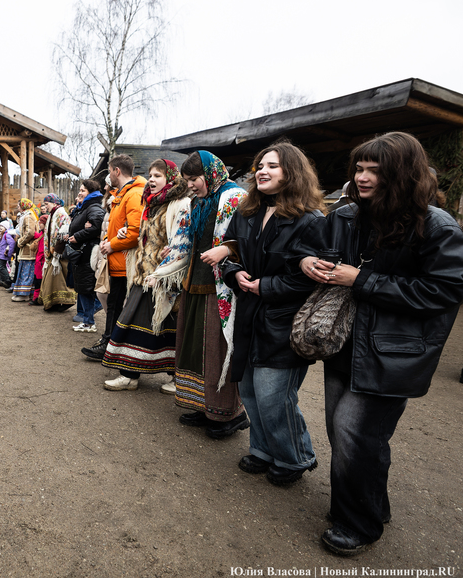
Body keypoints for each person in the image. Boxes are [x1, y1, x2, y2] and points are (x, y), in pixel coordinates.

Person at [299, 132, 463, 556]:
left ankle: (359, 524)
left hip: (393, 353)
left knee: (355, 434)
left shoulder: (437, 226)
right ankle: (373, 503)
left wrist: (362, 280)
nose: (363, 177)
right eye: (360, 168)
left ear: (402, 173)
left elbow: (442, 292)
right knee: (348, 434)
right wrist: (311, 262)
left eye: (375, 170)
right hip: (344, 343)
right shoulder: (348, 214)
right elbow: (317, 247)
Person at [210, 142, 325, 484]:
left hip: (285, 321)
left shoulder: (311, 221)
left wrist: (266, 287)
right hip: (249, 314)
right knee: (249, 392)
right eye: (260, 165)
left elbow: (312, 279)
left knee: (275, 396)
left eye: (272, 166)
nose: (262, 170)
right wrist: (234, 274)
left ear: (292, 172)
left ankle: (295, 457)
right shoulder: (246, 213)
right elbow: (230, 254)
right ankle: (262, 449)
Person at [173, 151, 249, 439]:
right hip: (195, 283)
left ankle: (228, 412)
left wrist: (228, 249)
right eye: (188, 180)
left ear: (211, 174)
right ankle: (201, 403)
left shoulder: (234, 197)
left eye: (194, 179)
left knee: (216, 348)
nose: (190, 185)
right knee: (193, 346)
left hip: (220, 288)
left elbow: (246, 240)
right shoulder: (200, 201)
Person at [101, 160, 192, 391]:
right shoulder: (149, 204)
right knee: (133, 323)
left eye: (158, 176)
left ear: (171, 178)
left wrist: (168, 256)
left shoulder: (181, 204)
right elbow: (144, 238)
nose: (151, 180)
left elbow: (184, 241)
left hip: (165, 279)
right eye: (150, 175)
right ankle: (129, 375)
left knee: (166, 330)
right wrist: (125, 233)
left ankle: (176, 377)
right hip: (143, 276)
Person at [82, 154, 146, 362]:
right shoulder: (123, 195)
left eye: (109, 171)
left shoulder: (133, 195)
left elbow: (135, 232)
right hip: (117, 263)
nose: (109, 175)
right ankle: (109, 343)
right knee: (113, 306)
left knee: (118, 307)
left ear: (117, 171)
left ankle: (111, 346)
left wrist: (111, 245)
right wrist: (107, 240)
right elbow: (120, 227)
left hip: (125, 263)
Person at [67, 180, 105, 332]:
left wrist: (78, 235)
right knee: (83, 288)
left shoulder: (93, 207)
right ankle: (87, 321)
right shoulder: (85, 208)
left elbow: (97, 225)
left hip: (87, 253)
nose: (80, 193)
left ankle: (90, 321)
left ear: (90, 191)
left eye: (82, 190)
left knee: (87, 288)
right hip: (82, 253)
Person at [38, 194, 76, 311]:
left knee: (58, 279)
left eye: (47, 204)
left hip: (59, 253)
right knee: (54, 279)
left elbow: (63, 233)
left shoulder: (61, 214)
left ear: (54, 203)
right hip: (53, 252)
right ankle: (55, 303)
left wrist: (57, 253)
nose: (45, 207)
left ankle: (66, 301)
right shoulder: (52, 214)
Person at [12, 199, 40, 302]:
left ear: (23, 206)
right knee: (25, 270)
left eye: (19, 205)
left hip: (29, 249)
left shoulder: (28, 217)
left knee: (27, 271)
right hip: (26, 249)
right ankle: (24, 293)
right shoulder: (27, 216)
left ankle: (25, 294)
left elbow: (30, 233)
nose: (18, 207)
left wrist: (20, 242)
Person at [31, 214, 48, 305]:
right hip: (39, 261)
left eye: (40, 223)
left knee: (39, 280)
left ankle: (37, 299)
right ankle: (36, 298)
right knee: (37, 280)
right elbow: (36, 235)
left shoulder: (45, 235)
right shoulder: (42, 233)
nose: (39, 224)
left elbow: (42, 250)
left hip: (41, 261)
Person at [0, 224, 15, 288]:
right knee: (0, 267)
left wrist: (9, 253)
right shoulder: (2, 235)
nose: (0, 228)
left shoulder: (6, 235)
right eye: (0, 227)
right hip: (0, 254)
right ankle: (4, 280)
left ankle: (8, 280)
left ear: (6, 227)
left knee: (0, 267)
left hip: (3, 254)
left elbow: (12, 243)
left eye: (2, 226)